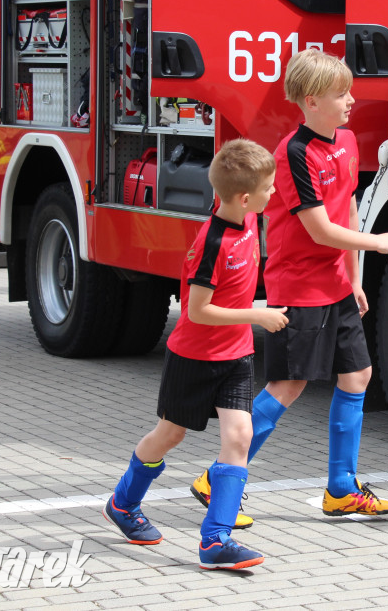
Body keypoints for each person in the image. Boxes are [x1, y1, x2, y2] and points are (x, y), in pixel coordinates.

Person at [190, 49, 388, 523]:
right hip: (299, 284)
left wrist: (355, 277)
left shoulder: (347, 141)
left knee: (357, 377)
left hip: (334, 284)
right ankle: (216, 477)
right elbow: (319, 229)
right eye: (340, 93)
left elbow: (345, 206)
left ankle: (342, 489)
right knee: (289, 384)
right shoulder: (292, 153)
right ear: (311, 101)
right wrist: (379, 242)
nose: (351, 100)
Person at [102, 139, 288, 570]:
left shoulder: (249, 222)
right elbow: (197, 311)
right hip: (193, 357)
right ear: (245, 198)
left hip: (236, 357)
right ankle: (123, 503)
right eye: (269, 187)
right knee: (169, 436)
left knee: (239, 437)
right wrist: (256, 316)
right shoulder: (211, 242)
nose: (274, 193)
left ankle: (215, 541)